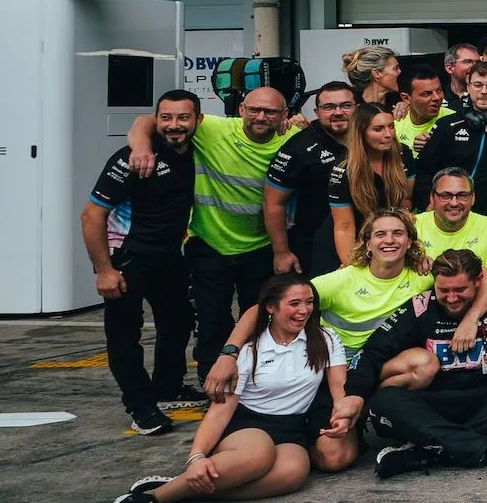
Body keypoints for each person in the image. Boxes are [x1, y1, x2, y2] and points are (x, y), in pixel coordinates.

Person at [109, 274, 351, 503]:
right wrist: (196, 456)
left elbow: (338, 387)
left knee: (294, 472)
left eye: (309, 302)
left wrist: (342, 413)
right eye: (294, 303)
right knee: (259, 454)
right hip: (249, 424)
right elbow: (220, 411)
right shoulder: (249, 349)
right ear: (270, 307)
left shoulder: (326, 339)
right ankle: (152, 499)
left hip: (292, 427)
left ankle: (183, 489)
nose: (304, 310)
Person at [125, 86, 292, 380]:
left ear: (284, 115)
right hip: (210, 244)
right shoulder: (212, 128)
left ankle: (258, 379)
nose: (260, 117)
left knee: (261, 318)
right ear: (241, 109)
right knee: (212, 318)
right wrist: (141, 147)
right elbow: (146, 121)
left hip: (261, 247)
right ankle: (211, 381)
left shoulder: (293, 140)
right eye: (254, 110)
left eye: (270, 112)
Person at [336, 249, 487, 478]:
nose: (452, 298)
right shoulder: (421, 306)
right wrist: (354, 394)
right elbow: (372, 353)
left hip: (486, 399)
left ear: (478, 281)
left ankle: (428, 450)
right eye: (443, 290)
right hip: (432, 403)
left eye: (460, 290)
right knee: (385, 399)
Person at [84, 89, 201, 434]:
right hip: (128, 257)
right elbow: (91, 216)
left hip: (170, 257)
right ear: (156, 120)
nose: (174, 125)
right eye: (165, 118)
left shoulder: (199, 150)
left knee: (179, 322)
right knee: (124, 335)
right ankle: (140, 406)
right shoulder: (134, 159)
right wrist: (104, 270)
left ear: (198, 120)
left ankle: (167, 387)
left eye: (183, 117)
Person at [310, 209, 435, 365]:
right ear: (368, 244)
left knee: (424, 364)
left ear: (409, 242)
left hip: (380, 363)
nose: (389, 240)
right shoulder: (339, 281)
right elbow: (288, 305)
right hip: (333, 364)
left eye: (397, 233)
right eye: (380, 234)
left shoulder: (424, 280)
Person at [262, 81, 355, 278]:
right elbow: (272, 203)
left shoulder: (370, 137)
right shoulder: (298, 147)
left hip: (364, 240)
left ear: (357, 108)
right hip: (311, 245)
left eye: (345, 106)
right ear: (317, 111)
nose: (338, 112)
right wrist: (281, 253)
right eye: (329, 107)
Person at [416, 61, 487, 217]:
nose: (484, 91)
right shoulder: (447, 125)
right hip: (448, 213)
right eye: (478, 85)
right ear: (468, 87)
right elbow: (423, 170)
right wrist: (428, 202)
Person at [327, 102, 416, 265]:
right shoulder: (343, 169)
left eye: (391, 126)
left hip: (389, 239)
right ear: (361, 133)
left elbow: (406, 199)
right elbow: (344, 226)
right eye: (378, 129)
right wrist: (350, 267)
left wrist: (404, 213)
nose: (388, 134)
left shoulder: (403, 154)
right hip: (354, 239)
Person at [414, 168, 487, 294]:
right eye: (445, 196)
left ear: (472, 198)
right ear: (432, 199)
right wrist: (412, 257)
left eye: (462, 195)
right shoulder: (413, 226)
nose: (454, 203)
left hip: (472, 303)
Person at [396, 64, 450, 155]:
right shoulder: (394, 124)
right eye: (426, 94)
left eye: (439, 90)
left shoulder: (455, 121)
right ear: (406, 98)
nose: (436, 97)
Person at [443, 42, 479, 108]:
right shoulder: (438, 96)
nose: (475, 67)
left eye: (478, 62)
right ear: (450, 68)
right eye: (468, 62)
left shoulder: (484, 96)